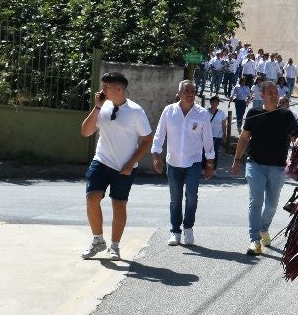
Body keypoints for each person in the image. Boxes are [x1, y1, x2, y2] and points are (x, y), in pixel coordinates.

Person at [79, 71, 153, 261]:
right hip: (101, 161)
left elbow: (146, 140)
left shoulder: (136, 111)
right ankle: (97, 240)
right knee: (92, 198)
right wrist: (96, 107)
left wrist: (130, 164)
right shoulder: (101, 107)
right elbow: (86, 132)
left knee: (119, 205)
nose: (102, 90)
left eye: (106, 87)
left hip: (124, 167)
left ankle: (115, 246)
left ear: (119, 89)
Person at [230, 79, 298, 255]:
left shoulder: (286, 116)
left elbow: (296, 140)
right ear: (262, 96)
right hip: (255, 164)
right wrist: (237, 160)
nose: (275, 94)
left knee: (272, 205)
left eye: (276, 92)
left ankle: (264, 229)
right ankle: (254, 240)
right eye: (270, 92)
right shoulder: (254, 113)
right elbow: (244, 138)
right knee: (256, 201)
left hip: (277, 167)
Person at [152, 80, 215, 246]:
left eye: (192, 91)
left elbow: (208, 140)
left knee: (192, 196)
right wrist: (156, 156)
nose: (190, 94)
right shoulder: (169, 111)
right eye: (186, 91)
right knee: (175, 198)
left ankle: (188, 228)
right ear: (179, 94)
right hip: (173, 162)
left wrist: (210, 163)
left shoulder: (202, 114)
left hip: (193, 162)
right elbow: (159, 135)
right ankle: (175, 231)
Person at [207, 93, 226, 168]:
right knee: (205, 152)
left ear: (218, 103)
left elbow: (224, 125)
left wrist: (224, 135)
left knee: (215, 152)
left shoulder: (221, 113)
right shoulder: (205, 112)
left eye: (216, 102)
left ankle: (213, 169)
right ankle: (203, 168)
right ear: (210, 102)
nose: (215, 103)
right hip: (207, 135)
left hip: (217, 136)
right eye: (213, 102)